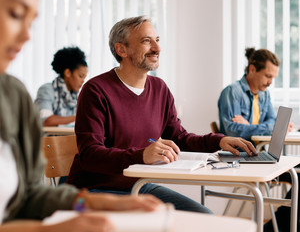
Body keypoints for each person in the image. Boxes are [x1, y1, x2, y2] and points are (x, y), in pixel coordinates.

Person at [0, 0, 161, 232]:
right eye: (16, 14)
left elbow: (30, 197)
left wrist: (93, 202)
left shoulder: (13, 95)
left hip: (118, 183)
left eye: (32, 22)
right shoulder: (78, 91)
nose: (27, 35)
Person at [66, 15, 257, 214]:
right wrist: (142, 155)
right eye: (146, 41)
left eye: (157, 41)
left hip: (139, 186)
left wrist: (219, 141)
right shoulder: (96, 90)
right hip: (95, 190)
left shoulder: (159, 88)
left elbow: (178, 138)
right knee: (168, 222)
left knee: (203, 216)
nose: (157, 49)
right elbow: (89, 155)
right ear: (121, 49)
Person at [218, 48, 297, 232]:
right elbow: (231, 131)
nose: (270, 82)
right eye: (268, 76)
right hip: (239, 158)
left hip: (257, 154)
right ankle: (279, 229)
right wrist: (264, 127)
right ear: (252, 69)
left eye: (273, 77)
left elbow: (272, 121)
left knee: (298, 176)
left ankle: (280, 227)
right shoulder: (232, 92)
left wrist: (251, 126)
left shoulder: (264, 94)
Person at [35, 46, 88, 126]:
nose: (83, 81)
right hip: (48, 138)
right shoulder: (46, 90)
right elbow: (46, 120)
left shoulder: (78, 96)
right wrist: (80, 117)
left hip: (69, 138)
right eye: (80, 76)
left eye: (84, 77)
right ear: (67, 73)